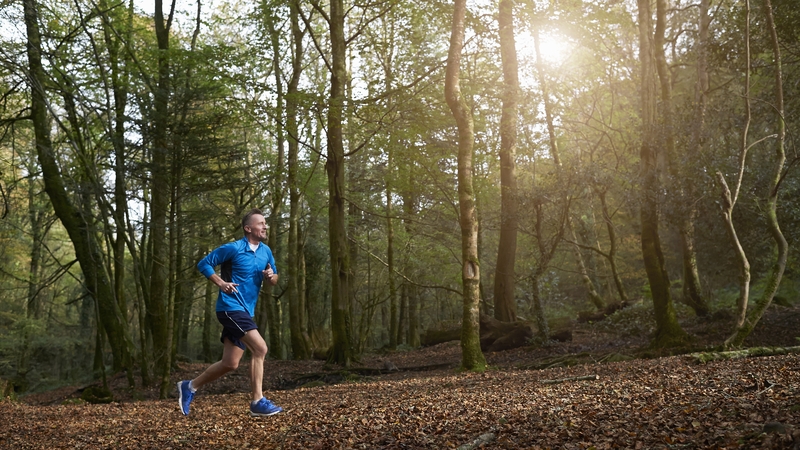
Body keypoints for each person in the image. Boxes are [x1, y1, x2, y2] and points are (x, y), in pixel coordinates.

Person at [177, 208, 283, 417]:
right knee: (260, 348)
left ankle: (189, 386)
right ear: (248, 228)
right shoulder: (233, 248)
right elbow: (204, 263)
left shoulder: (266, 251)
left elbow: (274, 279)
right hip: (229, 308)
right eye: (260, 223)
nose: (265, 226)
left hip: (246, 311)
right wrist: (221, 282)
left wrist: (271, 276)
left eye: (265, 223)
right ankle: (257, 402)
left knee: (230, 363)